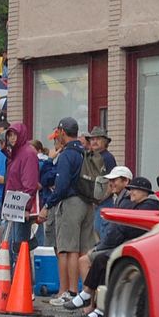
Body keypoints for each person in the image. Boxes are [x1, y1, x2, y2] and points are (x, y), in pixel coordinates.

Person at [76, 177, 159, 317]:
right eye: (130, 190)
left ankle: (92, 300)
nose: (131, 193)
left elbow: (127, 229)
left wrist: (106, 243)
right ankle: (95, 303)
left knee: (103, 260)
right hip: (129, 245)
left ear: (144, 191)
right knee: (102, 261)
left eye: (134, 189)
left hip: (139, 249)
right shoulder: (136, 205)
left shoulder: (149, 206)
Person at [42, 116, 95, 304]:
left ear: (62, 132)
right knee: (84, 250)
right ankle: (86, 293)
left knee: (67, 249)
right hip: (88, 203)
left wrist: (48, 204)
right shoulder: (85, 152)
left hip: (71, 203)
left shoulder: (67, 155)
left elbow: (62, 185)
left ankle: (68, 292)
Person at [1, 121, 40, 253]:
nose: (11, 138)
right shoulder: (15, 154)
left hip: (20, 209)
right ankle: (14, 273)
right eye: (9, 135)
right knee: (12, 247)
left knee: (18, 249)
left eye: (14, 135)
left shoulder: (28, 153)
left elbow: (30, 184)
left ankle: (20, 273)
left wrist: (26, 207)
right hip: (13, 207)